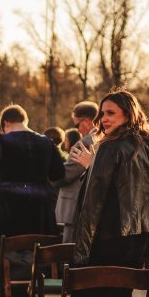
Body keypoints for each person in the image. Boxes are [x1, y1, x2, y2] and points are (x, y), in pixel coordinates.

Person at [69, 91, 149, 297]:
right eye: (102, 114)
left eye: (111, 113)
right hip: (136, 239)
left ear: (128, 115)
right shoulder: (147, 146)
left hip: (106, 238)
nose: (104, 119)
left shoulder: (109, 147)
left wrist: (81, 253)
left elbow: (92, 203)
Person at [0, 104, 65, 250]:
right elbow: (58, 174)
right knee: (40, 249)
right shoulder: (46, 142)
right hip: (40, 204)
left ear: (5, 123)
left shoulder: (0, 141)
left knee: (6, 250)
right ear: (25, 120)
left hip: (8, 204)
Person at [55, 101, 100, 242]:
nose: (77, 130)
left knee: (67, 250)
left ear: (86, 121)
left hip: (74, 206)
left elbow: (66, 174)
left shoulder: (86, 143)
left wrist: (49, 176)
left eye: (77, 124)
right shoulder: (100, 139)